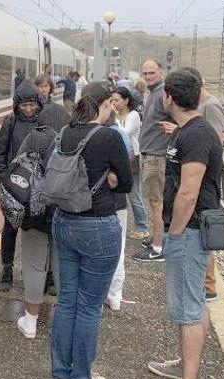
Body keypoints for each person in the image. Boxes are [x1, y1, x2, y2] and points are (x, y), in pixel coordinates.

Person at [48, 82, 132, 379]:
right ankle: (81, 378)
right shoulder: (109, 137)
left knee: (66, 302)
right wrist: (111, 180)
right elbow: (126, 184)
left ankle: (60, 375)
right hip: (98, 226)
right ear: (105, 104)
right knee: (88, 307)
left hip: (63, 221)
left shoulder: (65, 132)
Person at [145, 69, 223, 379]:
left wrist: (174, 234)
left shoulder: (197, 134)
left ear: (169, 97)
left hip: (189, 231)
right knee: (195, 302)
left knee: (188, 308)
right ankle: (185, 367)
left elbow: (188, 193)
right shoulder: (188, 130)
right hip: (189, 230)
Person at [0, 80, 49, 291]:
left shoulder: (44, 122)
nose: (28, 109)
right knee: (10, 228)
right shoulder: (10, 122)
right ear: (17, 105)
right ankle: (7, 269)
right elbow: (0, 153)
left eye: (32, 105)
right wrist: (4, 180)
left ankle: (39, 272)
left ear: (39, 104)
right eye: (24, 105)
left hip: (38, 187)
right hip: (14, 186)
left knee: (39, 230)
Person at [13, 125, 59, 339]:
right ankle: (63, 320)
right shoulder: (70, 138)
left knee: (33, 265)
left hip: (33, 214)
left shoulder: (33, 138)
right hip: (62, 212)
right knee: (62, 266)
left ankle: (30, 321)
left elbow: (15, 169)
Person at [186, 67, 224, 302]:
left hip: (205, 174)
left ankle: (209, 284)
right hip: (198, 169)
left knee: (205, 226)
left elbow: (217, 141)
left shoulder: (211, 105)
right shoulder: (200, 104)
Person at [132, 60, 172, 263]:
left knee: (157, 203)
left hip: (157, 156)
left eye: (152, 73)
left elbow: (179, 118)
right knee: (154, 201)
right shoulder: (153, 92)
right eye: (145, 73)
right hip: (150, 154)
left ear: (161, 72)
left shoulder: (164, 93)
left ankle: (157, 248)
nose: (148, 76)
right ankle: (158, 238)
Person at [104, 89, 134, 312]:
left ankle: (106, 293)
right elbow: (128, 164)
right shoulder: (121, 133)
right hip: (118, 199)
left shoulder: (94, 132)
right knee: (118, 246)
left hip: (100, 200)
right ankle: (115, 295)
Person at [111, 86, 149, 243]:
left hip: (132, 158)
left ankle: (143, 227)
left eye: (117, 100)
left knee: (134, 195)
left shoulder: (133, 115)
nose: (114, 103)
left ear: (126, 100)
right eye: (112, 100)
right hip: (118, 157)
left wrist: (112, 118)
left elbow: (124, 133)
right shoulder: (116, 116)